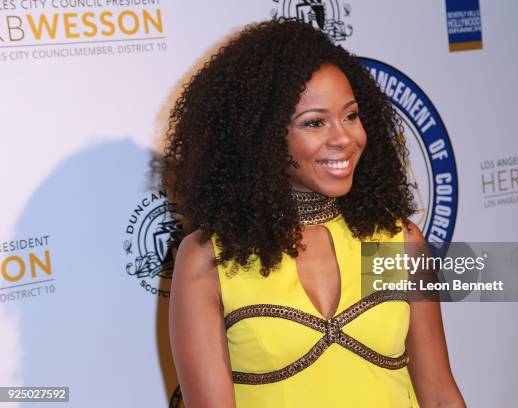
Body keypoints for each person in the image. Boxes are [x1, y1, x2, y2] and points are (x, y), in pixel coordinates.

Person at [162, 18, 465, 408]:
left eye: (351, 115)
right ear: (263, 136)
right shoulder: (213, 259)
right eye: (315, 122)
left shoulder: (395, 242)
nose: (344, 138)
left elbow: (440, 397)